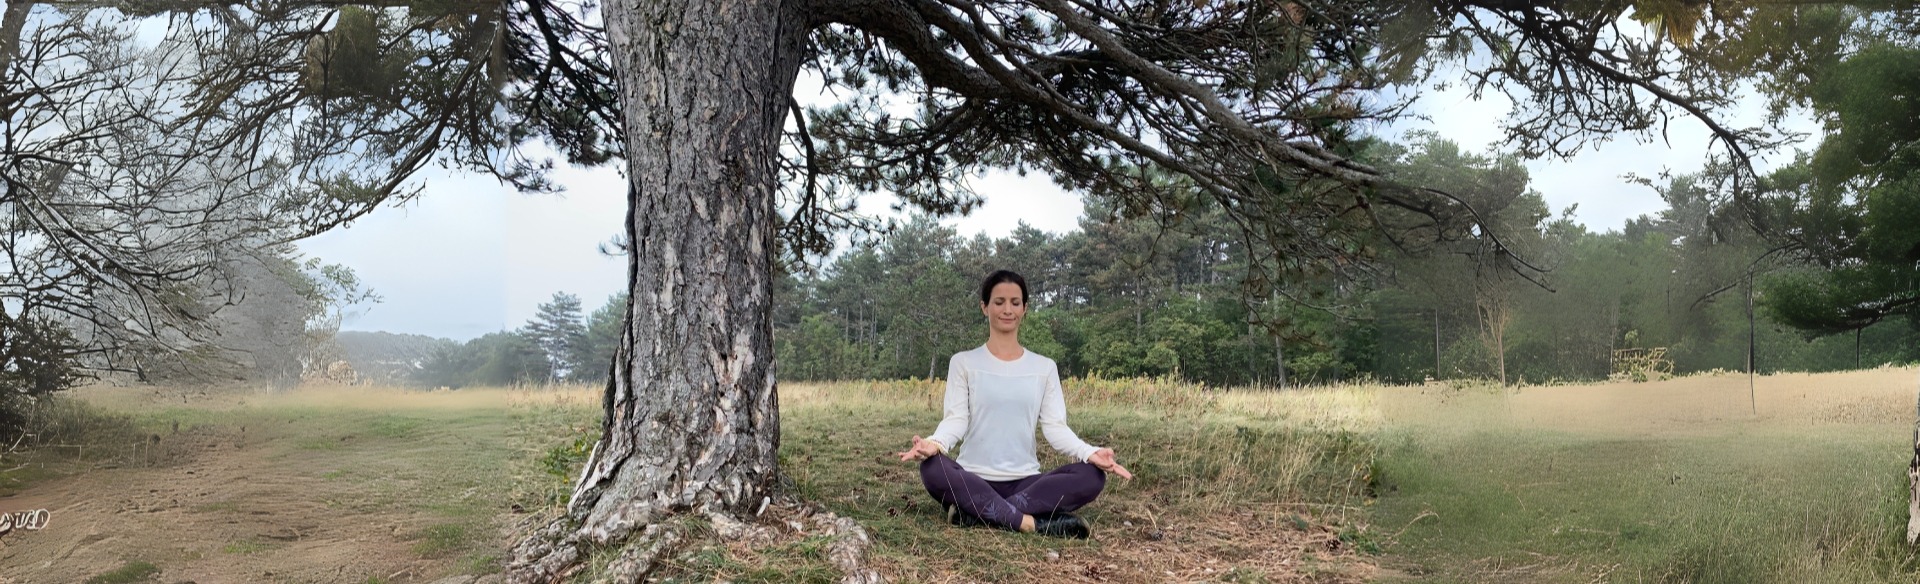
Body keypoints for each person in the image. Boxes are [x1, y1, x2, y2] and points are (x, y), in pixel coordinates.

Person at [895, 270, 1134, 539]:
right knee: (931, 467)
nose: (1007, 309)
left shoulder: (1044, 367)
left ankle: (978, 513)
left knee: (1092, 476)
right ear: (984, 307)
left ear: (1024, 309)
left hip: (1026, 483)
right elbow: (956, 419)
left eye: (1015, 302)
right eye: (999, 302)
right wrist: (934, 443)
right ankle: (1030, 523)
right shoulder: (963, 362)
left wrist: (1089, 452)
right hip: (973, 479)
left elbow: (1055, 427)